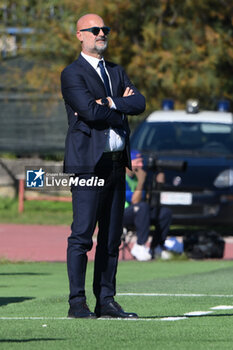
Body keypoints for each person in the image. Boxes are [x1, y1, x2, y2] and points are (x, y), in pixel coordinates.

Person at [61, 13, 145, 319]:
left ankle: (106, 300)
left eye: (104, 29)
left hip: (114, 166)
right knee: (82, 236)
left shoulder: (117, 71)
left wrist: (108, 103)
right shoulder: (72, 74)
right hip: (87, 167)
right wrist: (119, 107)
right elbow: (88, 113)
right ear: (79, 35)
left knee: (111, 238)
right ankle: (76, 303)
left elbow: (139, 103)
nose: (101, 33)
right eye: (94, 30)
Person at [123, 152, 172, 261]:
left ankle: (157, 246)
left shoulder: (137, 177)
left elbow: (147, 199)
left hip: (140, 212)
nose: (141, 165)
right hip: (122, 214)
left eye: (141, 162)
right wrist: (141, 182)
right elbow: (135, 201)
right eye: (137, 162)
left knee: (164, 212)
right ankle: (139, 245)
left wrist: (158, 184)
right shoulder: (122, 177)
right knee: (142, 207)